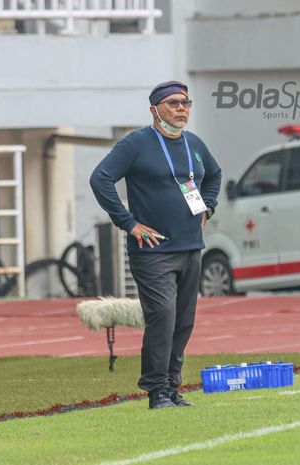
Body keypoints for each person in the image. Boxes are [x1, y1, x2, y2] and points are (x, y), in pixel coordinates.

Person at [90, 81, 222, 409]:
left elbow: (215, 175)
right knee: (163, 315)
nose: (181, 108)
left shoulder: (194, 144)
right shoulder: (137, 144)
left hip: (191, 246)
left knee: (183, 320)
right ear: (155, 109)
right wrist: (129, 222)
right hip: (153, 251)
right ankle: (157, 390)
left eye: (185, 103)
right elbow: (100, 178)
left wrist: (208, 205)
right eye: (173, 103)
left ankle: (173, 387)